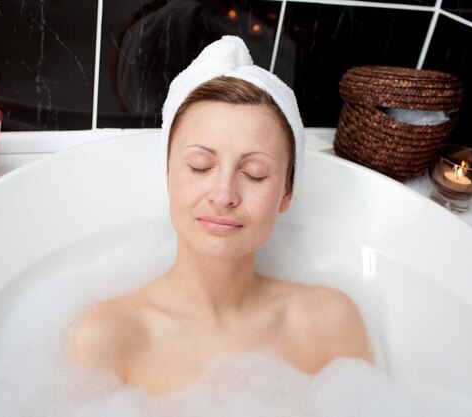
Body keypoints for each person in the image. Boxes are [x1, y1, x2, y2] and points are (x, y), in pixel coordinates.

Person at [72, 36, 372, 395]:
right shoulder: (109, 336)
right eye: (200, 166)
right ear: (169, 175)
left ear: (287, 193)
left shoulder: (330, 320)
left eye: (255, 173)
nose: (224, 195)